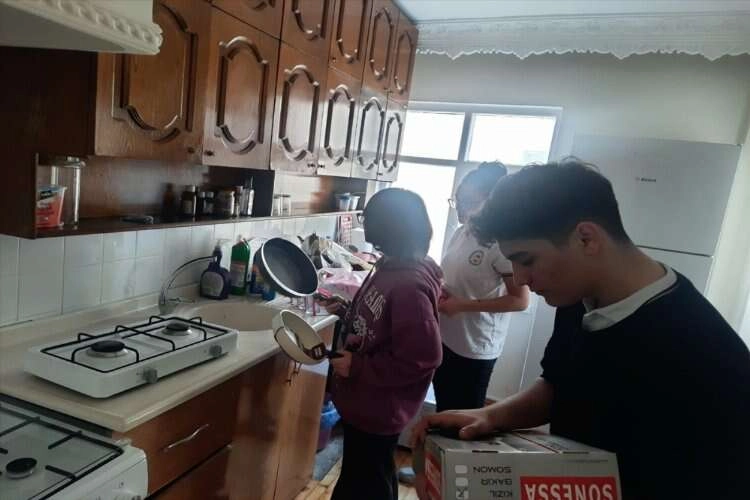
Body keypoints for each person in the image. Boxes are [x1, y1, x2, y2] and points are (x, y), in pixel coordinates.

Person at [413, 159, 750, 500]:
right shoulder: (577, 297)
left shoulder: (700, 351)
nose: (520, 278)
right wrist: (490, 416)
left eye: (527, 260)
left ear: (586, 238)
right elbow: (558, 383)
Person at [322, 188, 443, 500]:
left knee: (363, 486)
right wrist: (347, 311)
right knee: (372, 476)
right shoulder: (392, 265)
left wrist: (357, 366)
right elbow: (382, 325)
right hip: (368, 402)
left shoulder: (409, 285)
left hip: (379, 407)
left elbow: (423, 357)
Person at [435, 161, 529, 412]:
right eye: (458, 201)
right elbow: (455, 277)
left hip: (475, 346)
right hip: (446, 337)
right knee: (444, 409)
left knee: (464, 415)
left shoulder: (500, 243)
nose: (461, 209)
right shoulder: (462, 232)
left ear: (490, 203)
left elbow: (520, 300)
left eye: (469, 202)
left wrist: (461, 305)